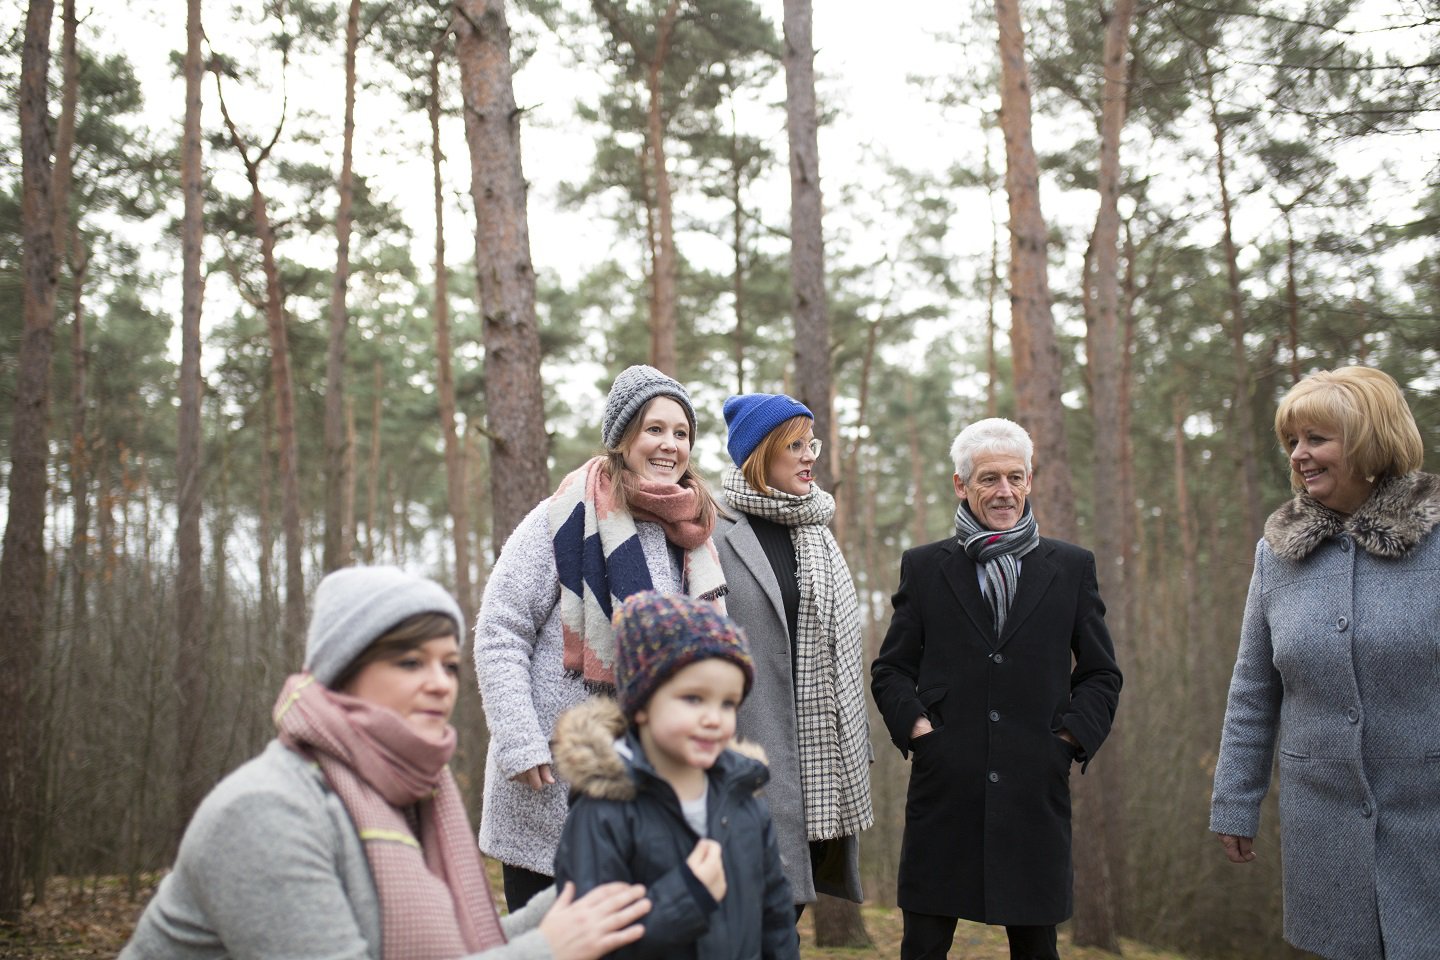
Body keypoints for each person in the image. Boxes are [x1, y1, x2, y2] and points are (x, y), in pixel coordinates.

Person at [121, 565, 651, 960]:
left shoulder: (412, 793)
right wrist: (549, 950)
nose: (440, 683)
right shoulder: (265, 811)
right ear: (342, 671)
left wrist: (589, 890)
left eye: (448, 665)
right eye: (409, 662)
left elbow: (465, 944)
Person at [475, 365, 727, 912]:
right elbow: (500, 631)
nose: (669, 445)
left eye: (681, 433)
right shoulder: (560, 517)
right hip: (552, 780)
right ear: (623, 437)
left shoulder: (694, 536)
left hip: (651, 787)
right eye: (654, 429)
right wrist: (519, 740)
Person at [870, 417, 1122, 960]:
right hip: (945, 791)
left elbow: (1101, 672)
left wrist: (1069, 741)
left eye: (1015, 477)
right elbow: (890, 669)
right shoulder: (924, 567)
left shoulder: (1072, 567)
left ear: (1030, 481)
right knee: (923, 947)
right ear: (961, 485)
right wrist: (920, 732)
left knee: (1036, 949)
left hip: (1035, 792)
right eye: (989, 479)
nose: (1004, 491)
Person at [1210, 366, 1438, 960]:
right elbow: (1253, 690)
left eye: (1316, 439)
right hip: (1324, 824)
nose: (1300, 456)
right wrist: (1236, 801)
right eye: (1293, 442)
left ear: (1369, 440)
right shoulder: (1276, 557)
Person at [550, 591, 798, 960]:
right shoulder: (604, 814)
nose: (714, 718)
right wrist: (688, 898)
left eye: (728, 703)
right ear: (643, 704)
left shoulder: (746, 802)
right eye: (693, 698)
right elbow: (593, 946)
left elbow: (776, 920)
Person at [710, 392, 872, 916]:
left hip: (819, 766)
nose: (809, 456)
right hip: (746, 757)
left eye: (811, 444)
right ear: (759, 454)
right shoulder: (713, 530)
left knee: (783, 921)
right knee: (747, 922)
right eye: (794, 445)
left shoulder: (815, 531)